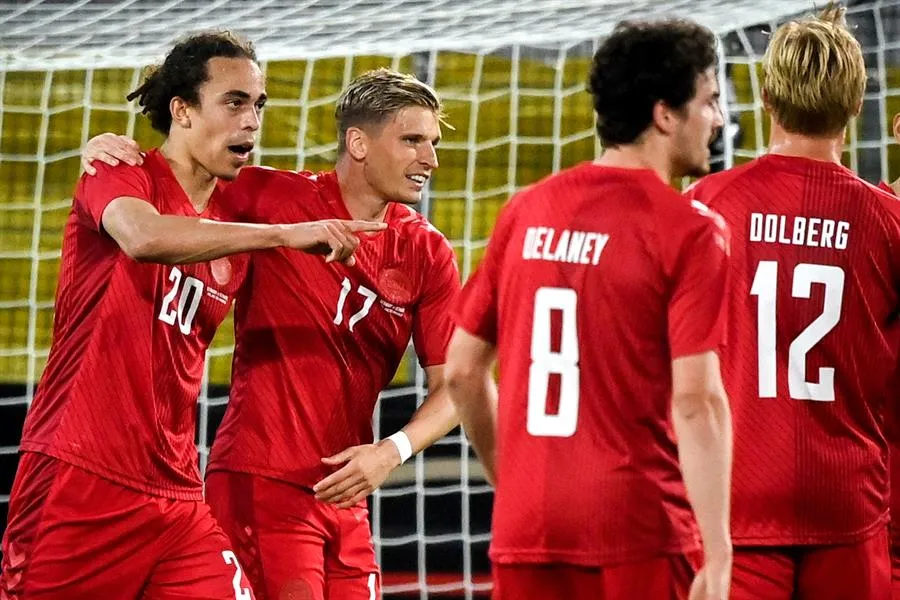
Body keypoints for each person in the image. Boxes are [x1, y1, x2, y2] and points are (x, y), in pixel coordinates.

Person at [0, 32, 382, 600]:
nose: (251, 120)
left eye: (258, 104)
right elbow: (144, 237)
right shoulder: (120, 174)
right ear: (181, 110)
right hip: (80, 475)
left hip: (176, 493)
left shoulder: (239, 208)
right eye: (234, 102)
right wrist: (281, 234)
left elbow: (342, 190)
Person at [82, 68, 461, 600]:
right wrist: (113, 155)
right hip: (260, 482)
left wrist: (390, 451)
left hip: (344, 497)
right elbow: (175, 181)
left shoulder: (427, 251)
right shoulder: (268, 197)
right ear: (358, 143)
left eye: (433, 143)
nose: (431, 159)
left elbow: (457, 386)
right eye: (413, 140)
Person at [445, 18, 733, 600]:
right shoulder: (690, 230)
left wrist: (514, 482)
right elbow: (696, 401)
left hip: (528, 525)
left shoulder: (526, 210)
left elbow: (461, 371)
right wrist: (721, 549)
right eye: (709, 100)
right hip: (638, 527)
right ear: (665, 114)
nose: (720, 119)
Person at [686, 5, 900, 599]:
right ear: (856, 105)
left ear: (765, 99)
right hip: (849, 503)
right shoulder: (887, 221)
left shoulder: (705, 206)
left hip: (737, 501)